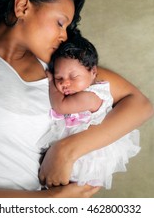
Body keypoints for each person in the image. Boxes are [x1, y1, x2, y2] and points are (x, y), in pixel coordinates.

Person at [0, 0, 153, 198]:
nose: (64, 36)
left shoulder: (61, 71)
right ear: (22, 6)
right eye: (60, 23)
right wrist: (47, 201)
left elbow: (140, 105)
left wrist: (66, 150)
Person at [39, 34, 141, 189]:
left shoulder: (92, 96)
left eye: (73, 76)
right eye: (59, 77)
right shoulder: (81, 89)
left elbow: (60, 106)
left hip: (85, 155)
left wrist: (51, 81)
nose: (65, 83)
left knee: (65, 182)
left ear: (93, 72)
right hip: (75, 147)